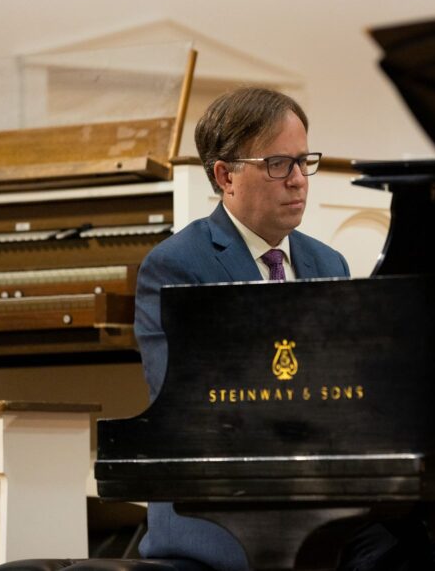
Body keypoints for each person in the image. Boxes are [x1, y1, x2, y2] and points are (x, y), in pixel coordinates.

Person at [133, 86, 350, 571]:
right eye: (278, 164)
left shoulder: (327, 261)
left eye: (303, 161)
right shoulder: (175, 267)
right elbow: (186, 406)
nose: (298, 181)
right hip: (218, 506)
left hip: (318, 496)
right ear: (225, 176)